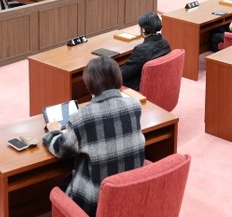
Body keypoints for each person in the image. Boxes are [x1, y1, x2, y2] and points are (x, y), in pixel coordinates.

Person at [43, 56, 145, 217]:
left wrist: (53, 131)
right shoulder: (134, 105)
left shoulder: (83, 117)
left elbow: (61, 149)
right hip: (130, 194)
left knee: (61, 185)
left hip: (94, 204)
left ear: (89, 84)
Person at [121, 11, 171, 90]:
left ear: (143, 29)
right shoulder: (165, 42)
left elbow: (124, 74)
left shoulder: (141, 50)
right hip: (158, 84)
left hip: (137, 87)